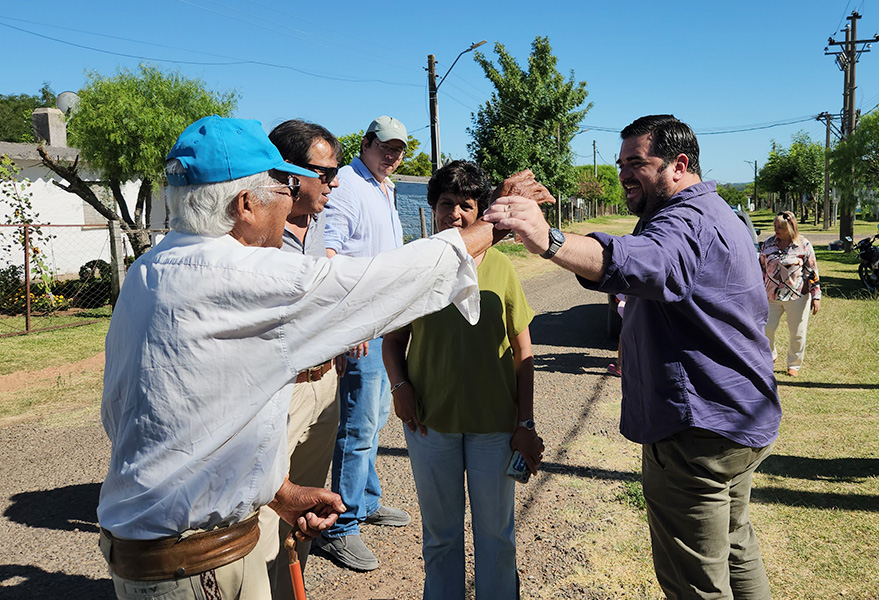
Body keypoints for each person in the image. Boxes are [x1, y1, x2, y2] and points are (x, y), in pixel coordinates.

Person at [97, 115, 552, 600]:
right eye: (283, 186)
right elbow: (391, 280)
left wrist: (280, 493)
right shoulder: (257, 277)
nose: (292, 197)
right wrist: (497, 218)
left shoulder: (149, 271)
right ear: (245, 204)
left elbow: (163, 417)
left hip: (154, 551)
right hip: (197, 562)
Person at [484, 114, 781, 600]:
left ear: (679, 165)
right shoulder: (715, 212)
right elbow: (637, 262)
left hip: (697, 433)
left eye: (637, 163)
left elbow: (645, 262)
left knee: (695, 584)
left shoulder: (686, 221)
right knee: (734, 547)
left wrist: (549, 240)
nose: (623, 174)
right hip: (736, 419)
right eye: (621, 162)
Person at [382, 161, 544, 600]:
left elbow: (523, 351)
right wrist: (400, 389)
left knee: (496, 536)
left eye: (466, 205)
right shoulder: (417, 267)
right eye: (445, 203)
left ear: (481, 212)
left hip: (495, 426)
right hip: (430, 424)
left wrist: (524, 424)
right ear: (432, 208)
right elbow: (393, 341)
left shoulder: (502, 270)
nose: (454, 213)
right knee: (441, 536)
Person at [317, 115, 410, 571]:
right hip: (363, 327)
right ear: (367, 143)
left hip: (385, 322)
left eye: (399, 150)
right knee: (357, 427)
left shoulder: (380, 184)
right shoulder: (350, 185)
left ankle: (366, 501)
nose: (393, 155)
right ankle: (341, 526)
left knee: (373, 420)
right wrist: (348, 325)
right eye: (387, 146)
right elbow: (330, 254)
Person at [257, 119, 343, 600]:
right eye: (325, 173)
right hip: (282, 391)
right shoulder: (252, 235)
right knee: (267, 514)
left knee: (304, 517)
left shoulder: (318, 223)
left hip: (324, 382)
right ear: (287, 173)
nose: (333, 184)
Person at [759, 210, 821, 377]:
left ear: (791, 227)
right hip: (770, 296)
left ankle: (794, 364)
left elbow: (812, 271)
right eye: (775, 226)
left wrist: (816, 296)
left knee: (798, 333)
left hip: (797, 296)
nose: (776, 230)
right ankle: (771, 355)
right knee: (766, 329)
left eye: (780, 227)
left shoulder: (804, 245)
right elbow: (761, 268)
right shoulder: (767, 244)